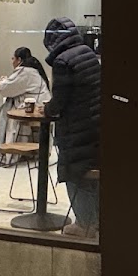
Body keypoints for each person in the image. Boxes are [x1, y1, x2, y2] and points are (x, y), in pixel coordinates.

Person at [43, 17, 101, 239]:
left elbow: (60, 101)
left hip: (77, 127)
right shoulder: (87, 52)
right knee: (91, 171)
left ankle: (84, 225)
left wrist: (47, 109)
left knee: (75, 173)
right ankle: (96, 221)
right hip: (96, 124)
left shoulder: (63, 61)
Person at [0, 47, 52, 163]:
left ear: (19, 60)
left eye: (13, 58)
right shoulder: (33, 69)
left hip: (34, 108)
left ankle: (6, 151)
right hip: (42, 105)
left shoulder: (25, 71)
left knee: (4, 113)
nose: (12, 61)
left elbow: (5, 89)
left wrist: (2, 81)